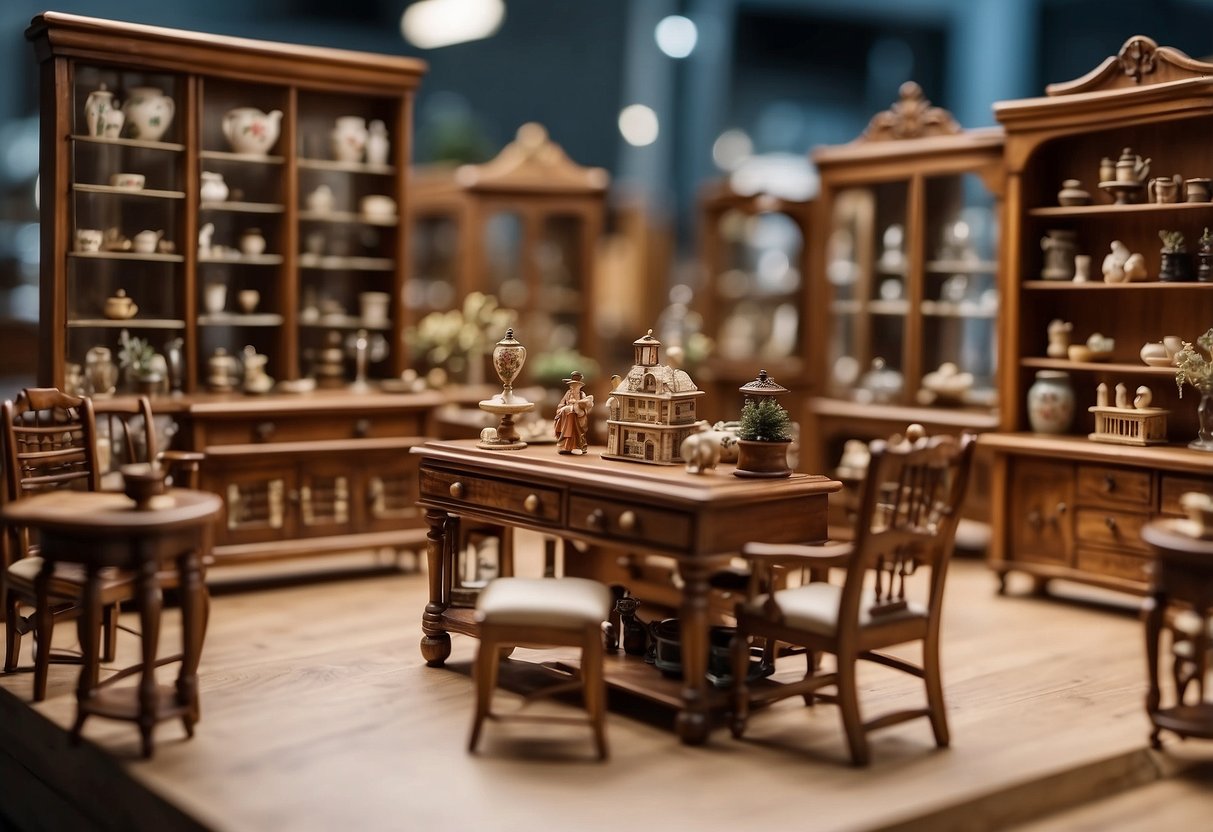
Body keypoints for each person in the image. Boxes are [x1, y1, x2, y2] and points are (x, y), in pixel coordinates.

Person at [554, 371, 593, 454]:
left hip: (577, 416)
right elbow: (561, 404)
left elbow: (586, 405)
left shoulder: (582, 394)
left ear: (579, 387)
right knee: (567, 418)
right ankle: (565, 446)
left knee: (576, 429)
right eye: (571, 386)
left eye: (575, 386)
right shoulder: (568, 393)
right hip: (566, 416)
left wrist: (579, 405)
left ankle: (578, 446)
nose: (573, 388)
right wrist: (562, 409)